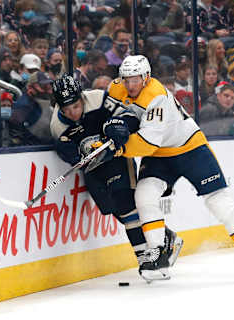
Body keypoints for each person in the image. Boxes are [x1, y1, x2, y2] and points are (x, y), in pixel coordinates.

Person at [106, 55, 234, 282]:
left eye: (135, 79)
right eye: (126, 79)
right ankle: (158, 253)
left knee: (218, 202)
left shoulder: (157, 96)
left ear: (146, 77)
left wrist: (115, 149)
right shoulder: (116, 88)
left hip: (189, 147)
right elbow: (108, 115)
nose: (130, 84)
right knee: (144, 194)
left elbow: (146, 144)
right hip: (162, 152)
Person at [49, 74, 183, 270]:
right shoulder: (57, 125)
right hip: (93, 169)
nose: (73, 113)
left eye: (76, 106)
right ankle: (164, 236)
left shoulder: (98, 98)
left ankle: (145, 258)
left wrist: (119, 129)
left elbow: (129, 116)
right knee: (115, 209)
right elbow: (66, 149)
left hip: (117, 158)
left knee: (125, 204)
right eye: (67, 110)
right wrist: (72, 155)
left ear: (82, 97)